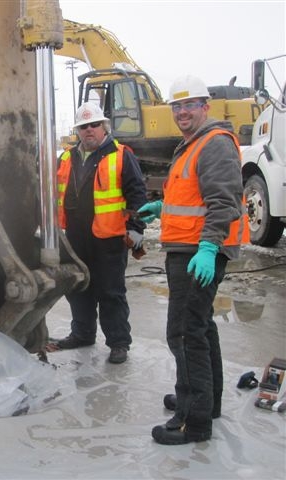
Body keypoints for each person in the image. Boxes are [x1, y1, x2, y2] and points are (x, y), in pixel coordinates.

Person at [137, 75, 249, 445]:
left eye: (190, 105)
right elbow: (194, 197)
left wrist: (208, 248)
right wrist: (162, 206)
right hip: (188, 247)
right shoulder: (192, 144)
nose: (182, 112)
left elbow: (224, 203)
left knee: (184, 332)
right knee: (200, 326)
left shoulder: (213, 144)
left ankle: (193, 421)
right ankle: (205, 400)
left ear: (206, 107)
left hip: (197, 251)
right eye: (177, 106)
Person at [47, 102, 148, 364]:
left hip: (109, 237)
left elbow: (137, 194)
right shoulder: (67, 157)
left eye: (94, 125)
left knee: (110, 292)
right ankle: (82, 334)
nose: (89, 130)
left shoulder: (121, 155)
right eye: (83, 126)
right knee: (79, 288)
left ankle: (118, 343)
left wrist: (136, 229)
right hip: (76, 237)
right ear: (78, 131)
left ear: (104, 127)